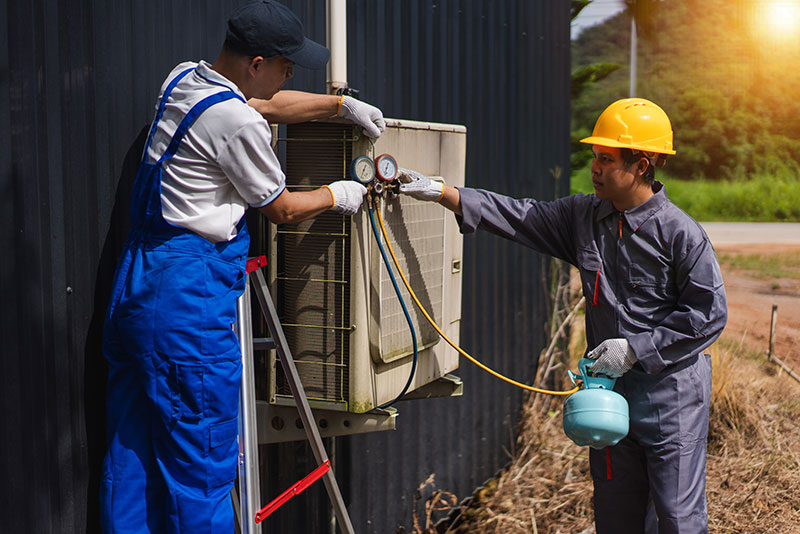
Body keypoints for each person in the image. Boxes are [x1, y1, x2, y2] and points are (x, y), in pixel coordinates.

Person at [100, 2, 384, 532]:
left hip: (139, 279)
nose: (291, 74)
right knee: (201, 469)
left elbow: (262, 105)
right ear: (256, 63)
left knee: (131, 450)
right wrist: (337, 193)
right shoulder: (237, 124)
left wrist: (339, 107)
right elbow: (279, 208)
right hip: (189, 299)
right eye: (286, 65)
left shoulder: (184, 78)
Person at [398, 98, 727, 534]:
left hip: (672, 399)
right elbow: (521, 214)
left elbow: (709, 314)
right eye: (594, 156)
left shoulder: (681, 235)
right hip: (608, 396)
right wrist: (443, 192)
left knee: (676, 517)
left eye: (606, 159)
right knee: (614, 511)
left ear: (642, 165)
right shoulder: (583, 217)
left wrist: (635, 350)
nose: (595, 167)